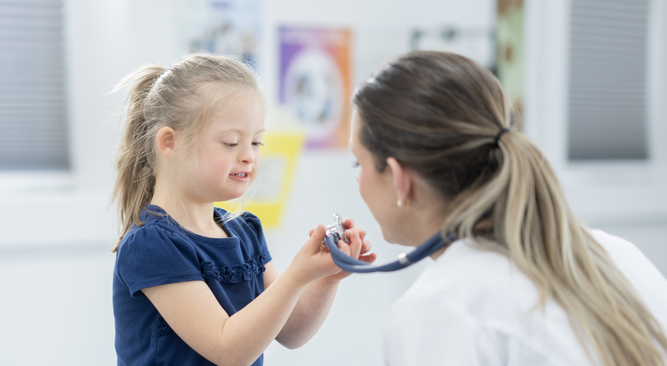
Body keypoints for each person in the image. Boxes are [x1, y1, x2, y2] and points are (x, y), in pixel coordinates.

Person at [349, 51, 667, 366]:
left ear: (398, 178)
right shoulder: (617, 254)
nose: (358, 179)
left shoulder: (440, 307)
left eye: (357, 162)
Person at [110, 53, 375, 366]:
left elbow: (291, 332)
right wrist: (295, 275)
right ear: (169, 143)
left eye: (256, 143)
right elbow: (228, 350)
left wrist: (323, 278)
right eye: (231, 143)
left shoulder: (244, 232)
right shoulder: (152, 246)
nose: (249, 156)